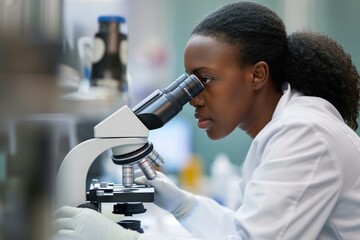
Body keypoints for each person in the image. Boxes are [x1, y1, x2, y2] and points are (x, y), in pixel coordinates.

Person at [53, 2, 360, 240]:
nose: (193, 98)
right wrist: (184, 204)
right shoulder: (287, 128)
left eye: (205, 80)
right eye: (188, 83)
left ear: (257, 75)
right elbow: (246, 230)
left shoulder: (303, 132)